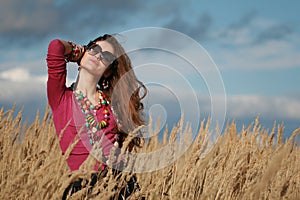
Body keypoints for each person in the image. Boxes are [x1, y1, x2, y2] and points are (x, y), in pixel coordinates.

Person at [46, 34, 147, 199]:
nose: (99, 56)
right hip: (83, 188)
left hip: (120, 184)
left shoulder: (111, 104)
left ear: (108, 71)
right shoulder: (62, 98)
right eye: (95, 49)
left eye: (106, 56)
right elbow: (55, 46)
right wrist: (80, 53)